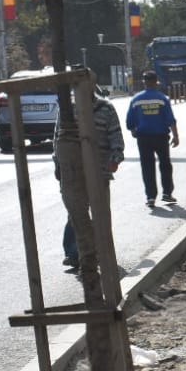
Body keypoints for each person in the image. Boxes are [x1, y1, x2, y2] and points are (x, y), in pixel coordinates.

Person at [56, 87, 125, 275]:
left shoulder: (106, 108)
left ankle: (103, 254)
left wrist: (116, 158)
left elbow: (116, 135)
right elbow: (58, 137)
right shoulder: (68, 110)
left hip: (99, 170)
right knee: (76, 213)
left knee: (101, 214)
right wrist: (58, 163)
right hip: (73, 171)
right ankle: (75, 254)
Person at [125, 69, 179, 208]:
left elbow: (129, 120)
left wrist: (133, 130)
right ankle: (167, 193)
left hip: (143, 138)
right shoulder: (162, 99)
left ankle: (150, 197)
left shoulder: (136, 99)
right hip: (161, 137)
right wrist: (175, 136)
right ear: (156, 82)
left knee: (147, 166)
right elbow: (170, 119)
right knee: (165, 165)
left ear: (144, 82)